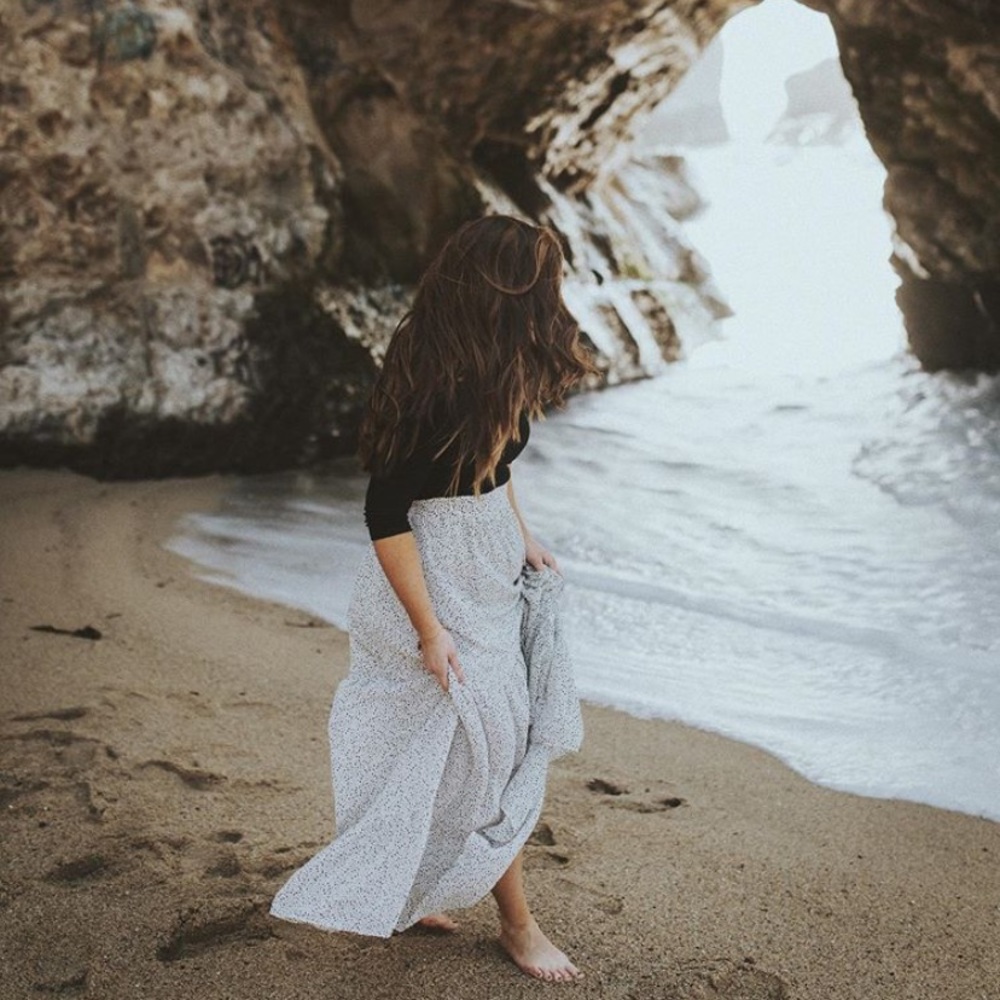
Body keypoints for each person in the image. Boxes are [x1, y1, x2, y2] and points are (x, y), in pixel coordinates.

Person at [269, 214, 597, 981]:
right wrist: (427, 630)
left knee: (455, 747)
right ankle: (517, 926)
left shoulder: (498, 364)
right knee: (492, 748)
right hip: (431, 583)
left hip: (487, 572)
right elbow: (384, 515)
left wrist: (524, 535)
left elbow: (494, 468)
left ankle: (414, 890)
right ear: (504, 291)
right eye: (544, 279)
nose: (554, 294)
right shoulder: (434, 381)